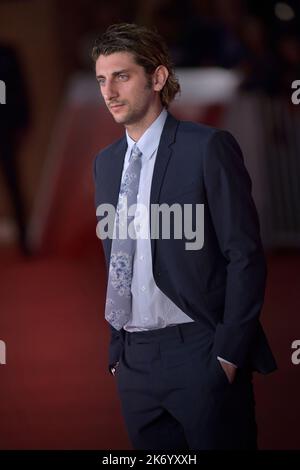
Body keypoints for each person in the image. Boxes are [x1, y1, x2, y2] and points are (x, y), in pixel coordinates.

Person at [92, 23, 277, 450]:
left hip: (199, 350)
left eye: (122, 76)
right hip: (134, 361)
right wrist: (118, 350)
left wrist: (228, 355)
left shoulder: (207, 147)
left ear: (157, 78)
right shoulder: (105, 164)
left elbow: (244, 255)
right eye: (102, 79)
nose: (109, 91)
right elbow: (117, 258)